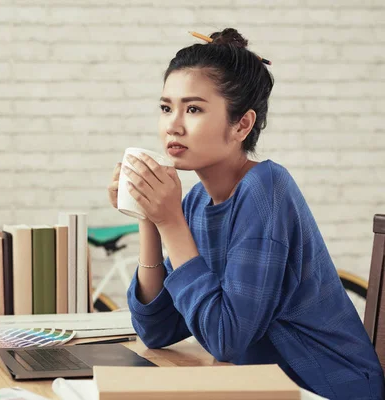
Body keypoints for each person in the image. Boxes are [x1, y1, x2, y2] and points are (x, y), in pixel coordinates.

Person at [107, 28, 384, 399]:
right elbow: (157, 330)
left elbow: (226, 338)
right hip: (268, 386)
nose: (173, 124)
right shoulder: (194, 204)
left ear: (242, 124)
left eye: (193, 109)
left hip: (327, 388)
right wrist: (149, 216)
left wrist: (170, 221)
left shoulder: (266, 189)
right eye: (165, 107)